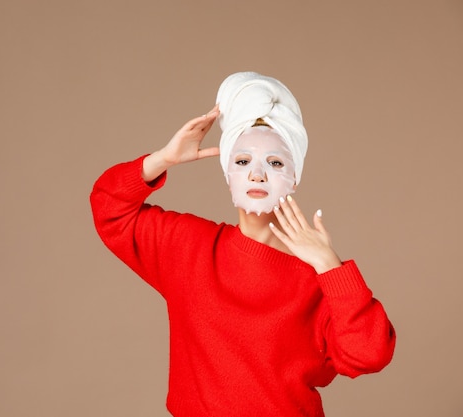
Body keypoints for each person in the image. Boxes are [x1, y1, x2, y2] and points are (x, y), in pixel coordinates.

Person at [90, 71, 395, 417]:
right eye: (242, 161)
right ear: (227, 174)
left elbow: (369, 354)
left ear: (294, 178)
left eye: (275, 162)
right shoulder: (188, 247)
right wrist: (163, 158)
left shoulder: (318, 280)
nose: (257, 173)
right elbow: (109, 208)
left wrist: (331, 267)